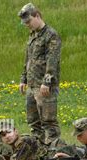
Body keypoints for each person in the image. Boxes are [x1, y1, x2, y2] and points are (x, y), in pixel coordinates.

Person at [18, 3, 61, 145]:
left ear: (37, 16)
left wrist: (46, 82)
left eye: (29, 21)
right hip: (32, 85)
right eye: (25, 23)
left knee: (48, 121)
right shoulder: (32, 35)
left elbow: (52, 61)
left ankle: (54, 150)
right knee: (33, 121)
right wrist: (23, 79)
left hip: (44, 86)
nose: (27, 25)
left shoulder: (51, 35)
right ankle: (38, 148)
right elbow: (28, 58)